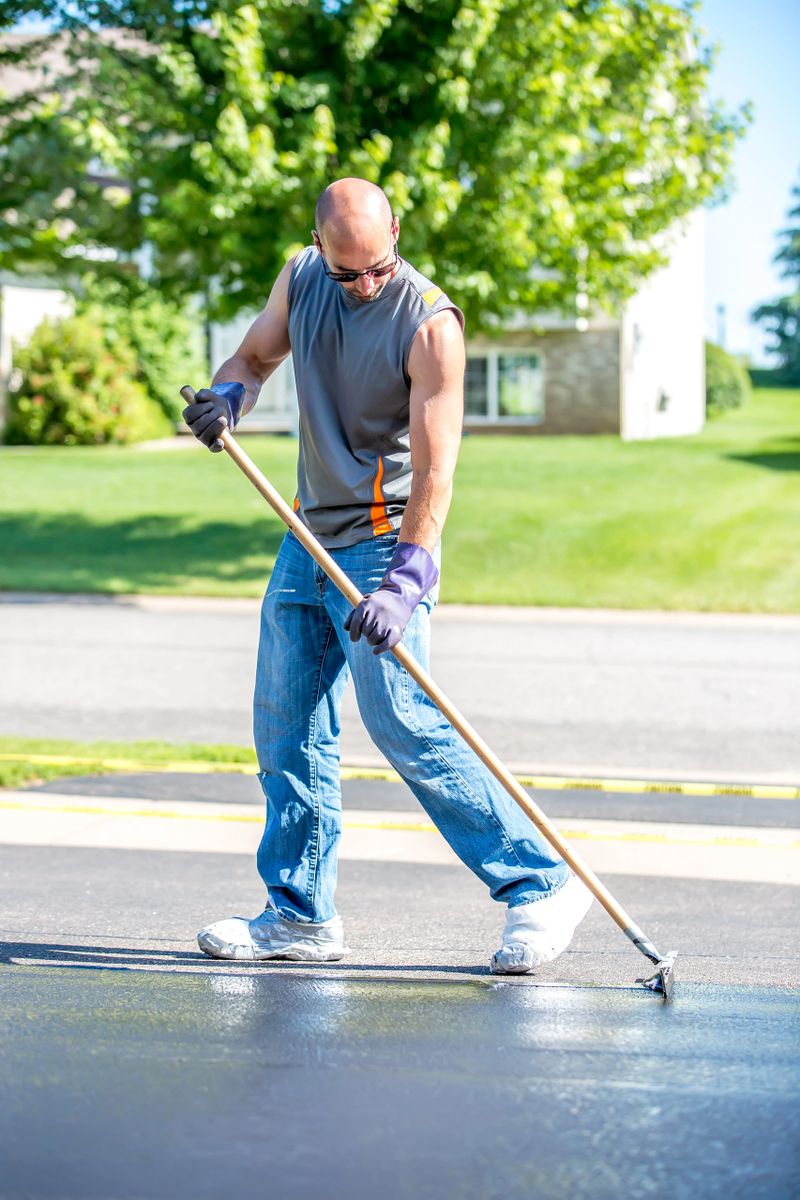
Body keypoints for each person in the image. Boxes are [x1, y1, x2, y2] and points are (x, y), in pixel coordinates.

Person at [183, 177, 592, 973]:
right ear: (321, 251)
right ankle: (300, 917)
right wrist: (229, 396)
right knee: (287, 726)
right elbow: (255, 355)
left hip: (385, 541)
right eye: (349, 273)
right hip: (308, 532)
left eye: (378, 267)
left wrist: (406, 583)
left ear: (395, 232)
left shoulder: (430, 322)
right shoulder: (302, 277)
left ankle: (541, 888)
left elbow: (437, 475)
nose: (366, 284)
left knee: (403, 715)